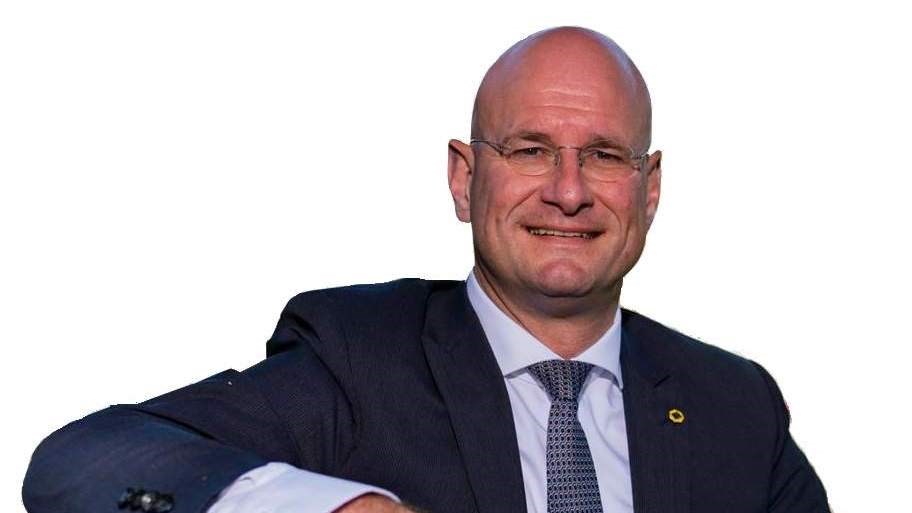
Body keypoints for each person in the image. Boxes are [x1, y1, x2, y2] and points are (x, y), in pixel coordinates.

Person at [22, 26, 830, 513]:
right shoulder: (356, 360)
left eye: (605, 156)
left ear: (648, 190)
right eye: (530, 150)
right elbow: (83, 462)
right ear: (463, 178)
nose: (569, 190)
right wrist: (342, 509)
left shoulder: (736, 405)